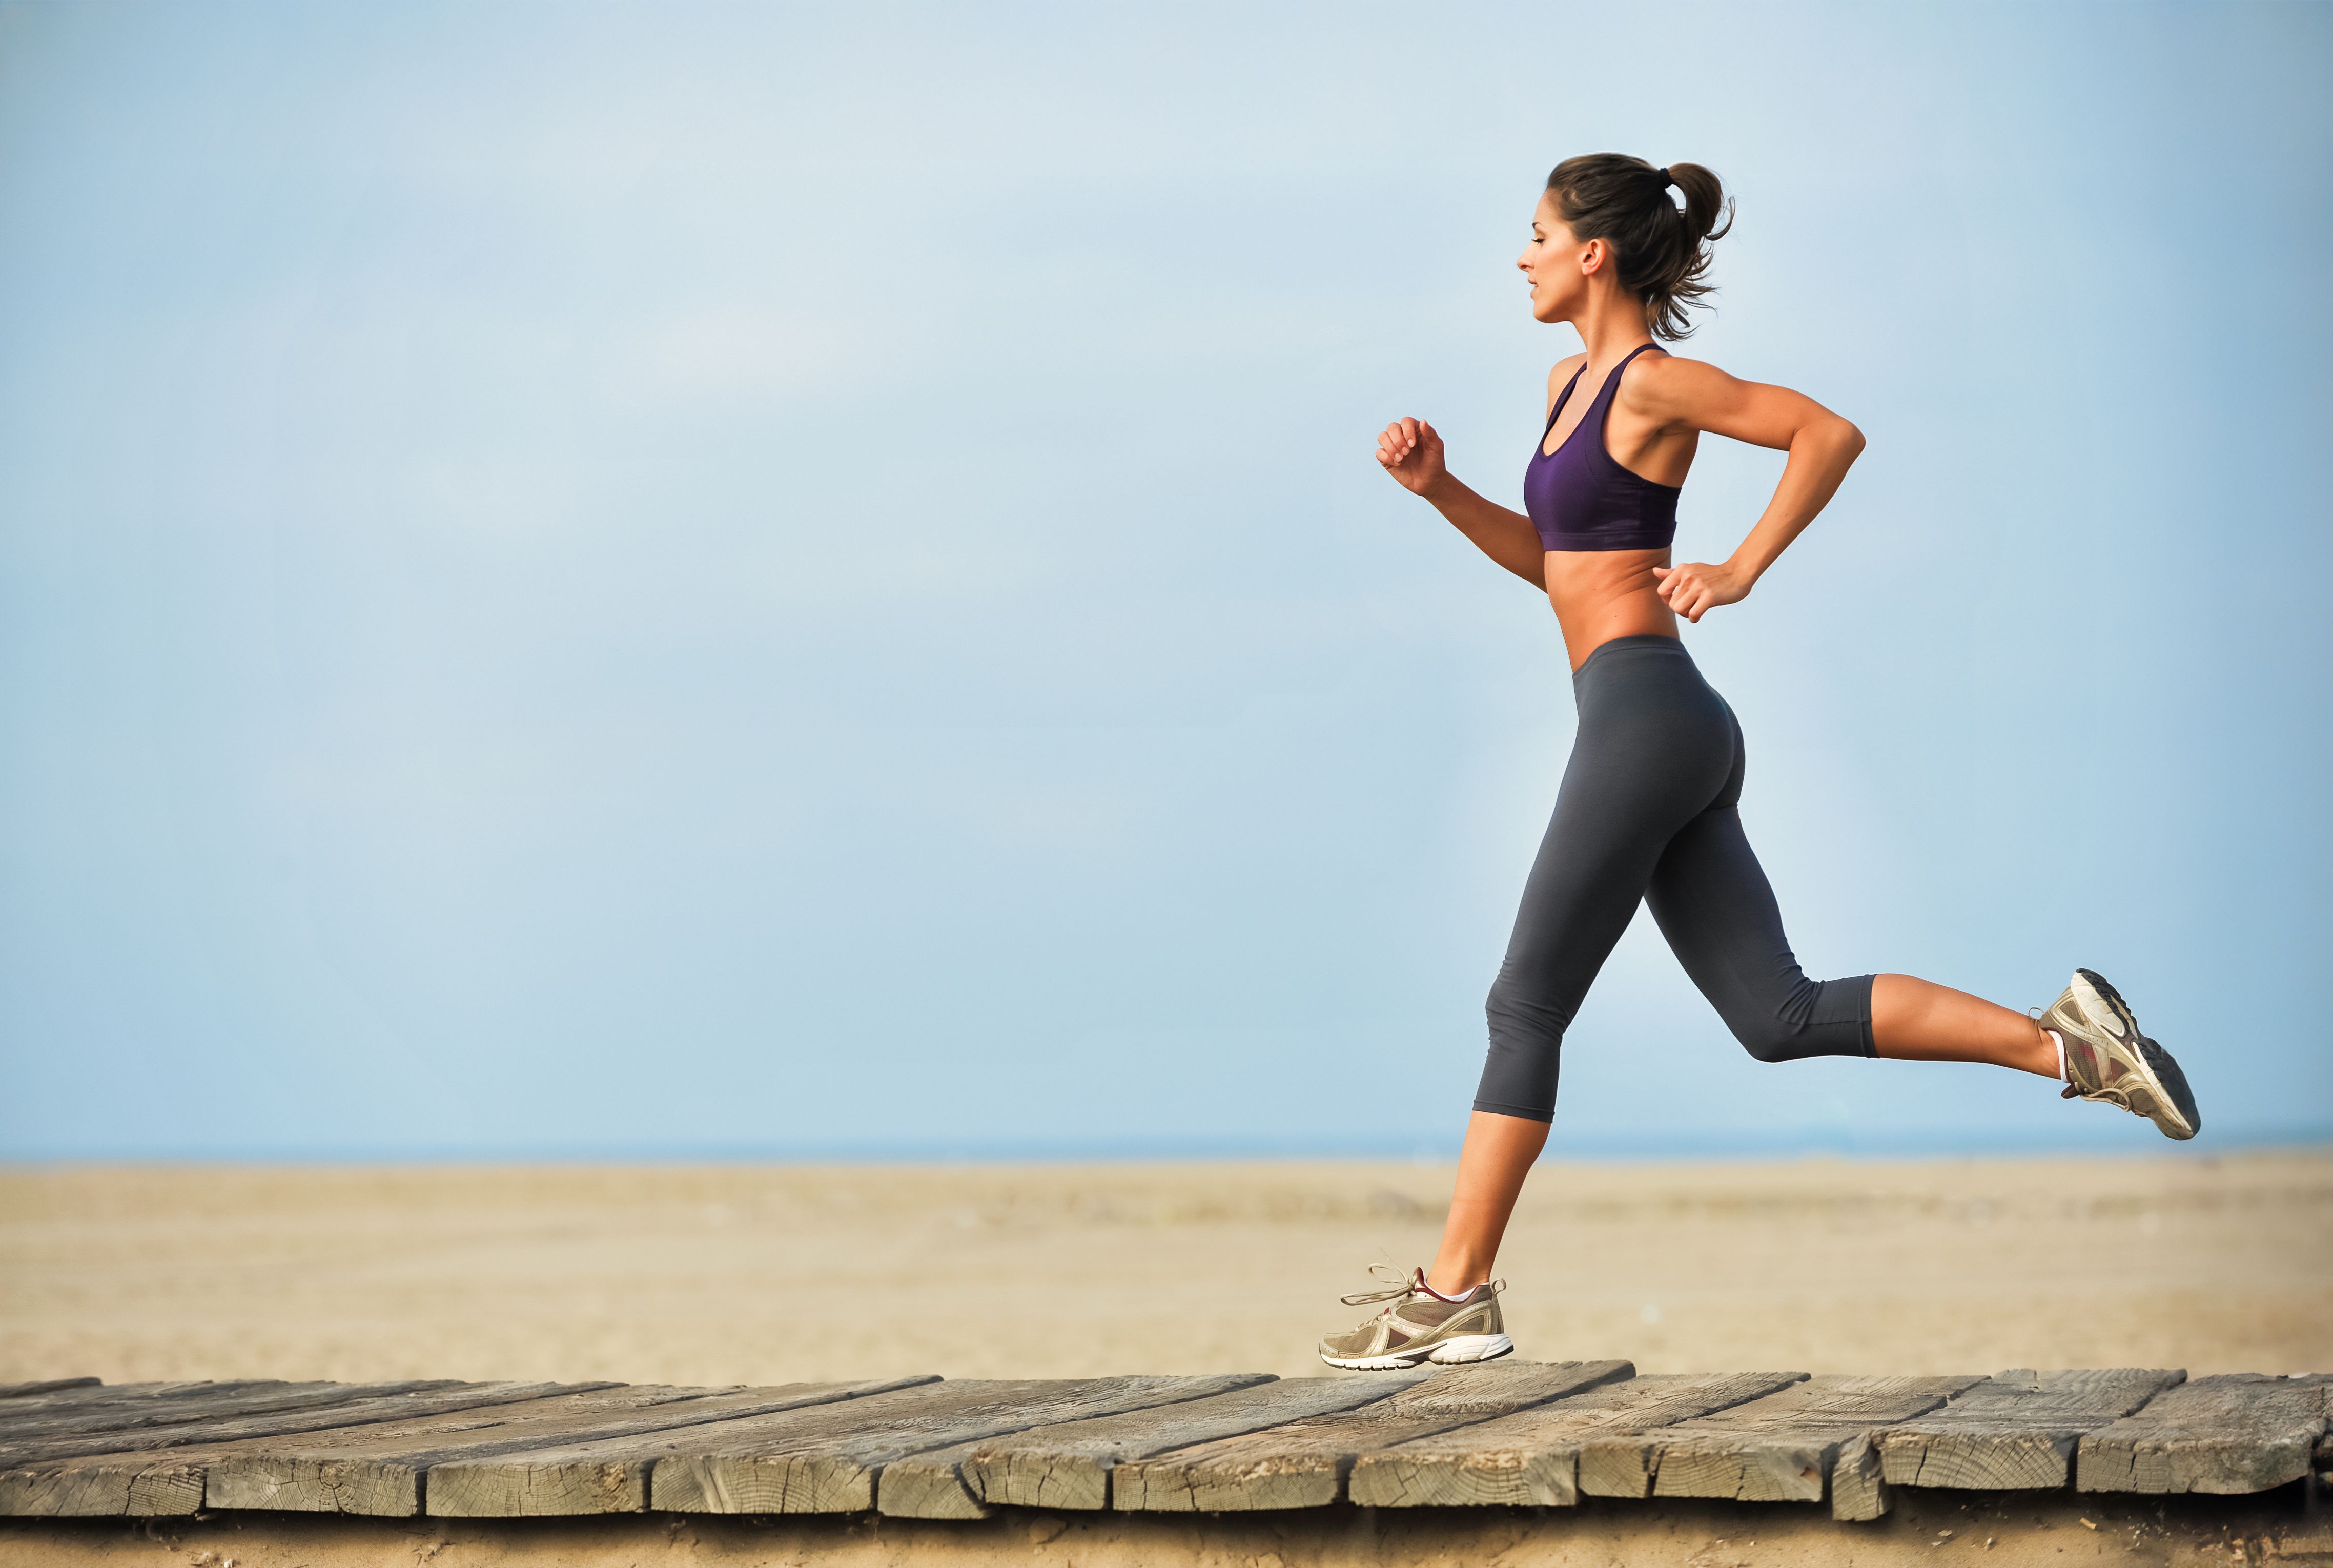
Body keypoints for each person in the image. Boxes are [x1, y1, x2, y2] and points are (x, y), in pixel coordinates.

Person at [1318, 153, 2200, 1373]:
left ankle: (1452, 1291)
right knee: (1775, 1018)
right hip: (1652, 719)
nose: (1515, 255)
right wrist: (1440, 491)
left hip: (1645, 717)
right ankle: (2071, 1048)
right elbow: (1559, 567)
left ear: (1592, 253)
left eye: (1532, 234)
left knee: (1523, 1005)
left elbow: (1822, 434)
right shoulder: (1565, 384)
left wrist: (1736, 568)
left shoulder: (1651, 381)